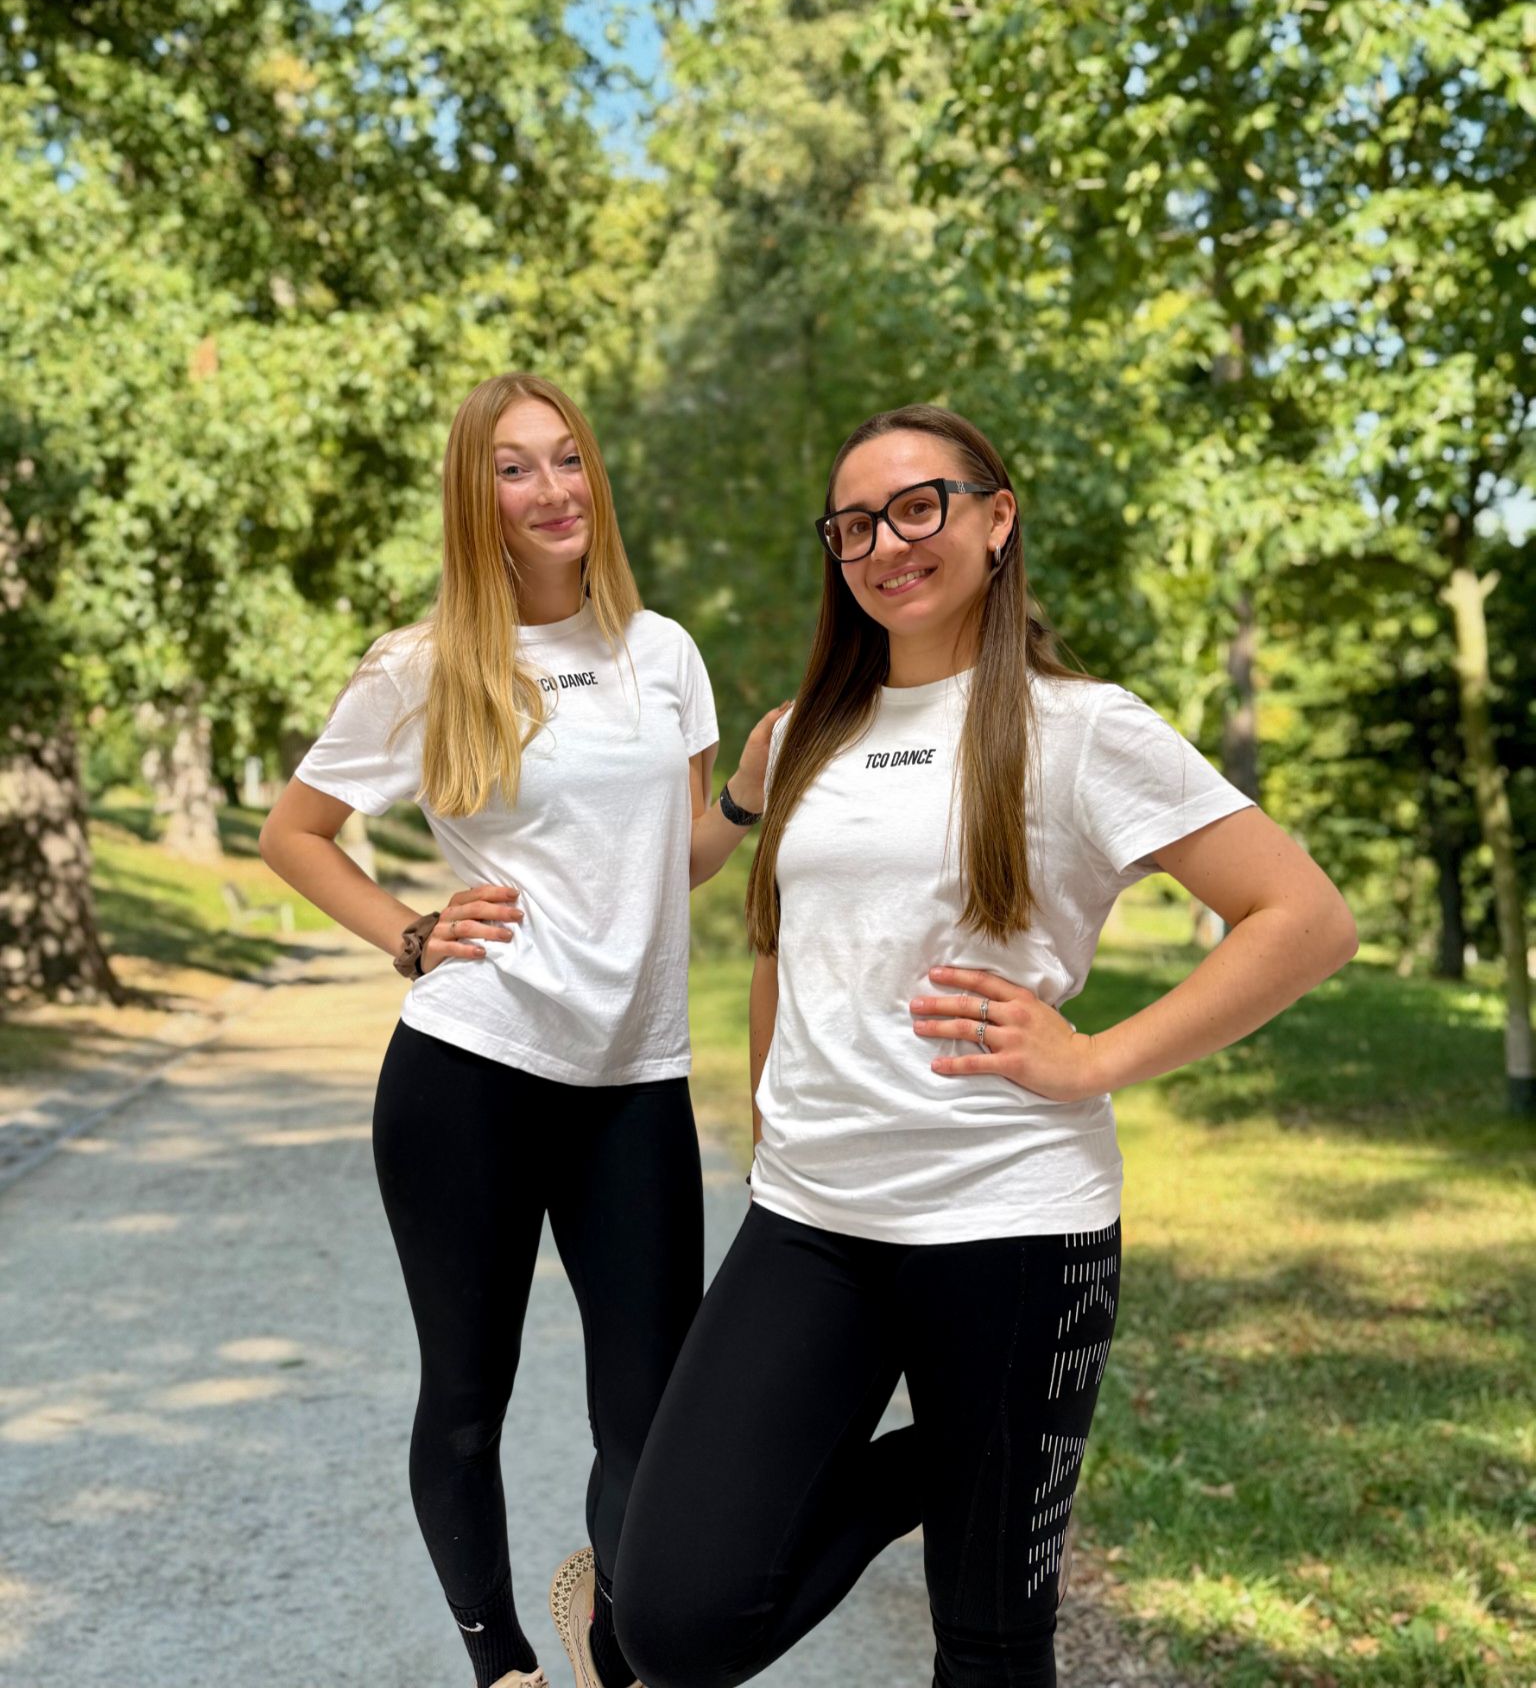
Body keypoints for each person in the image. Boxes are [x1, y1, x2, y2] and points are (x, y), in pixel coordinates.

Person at [613, 402, 1358, 1688]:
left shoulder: (1085, 727)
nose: (886, 544)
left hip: (1009, 1225)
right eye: (855, 525)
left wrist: (1095, 1058)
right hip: (814, 1220)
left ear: (997, 518)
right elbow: (784, 937)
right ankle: (976, 1447)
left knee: (990, 1645)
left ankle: (998, 1436)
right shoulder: (801, 733)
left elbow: (1305, 917)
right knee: (678, 1620)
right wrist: (773, 1119)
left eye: (920, 506)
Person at [259, 373, 784, 1688]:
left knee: (652, 1419)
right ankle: (503, 1665)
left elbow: (675, 861)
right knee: (466, 1391)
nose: (552, 488)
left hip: (635, 1077)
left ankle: (611, 1644)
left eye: (567, 458)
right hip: (470, 1069)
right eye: (513, 467)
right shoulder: (426, 663)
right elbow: (295, 833)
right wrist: (410, 933)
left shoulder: (661, 651)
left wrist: (746, 797)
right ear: (475, 497)